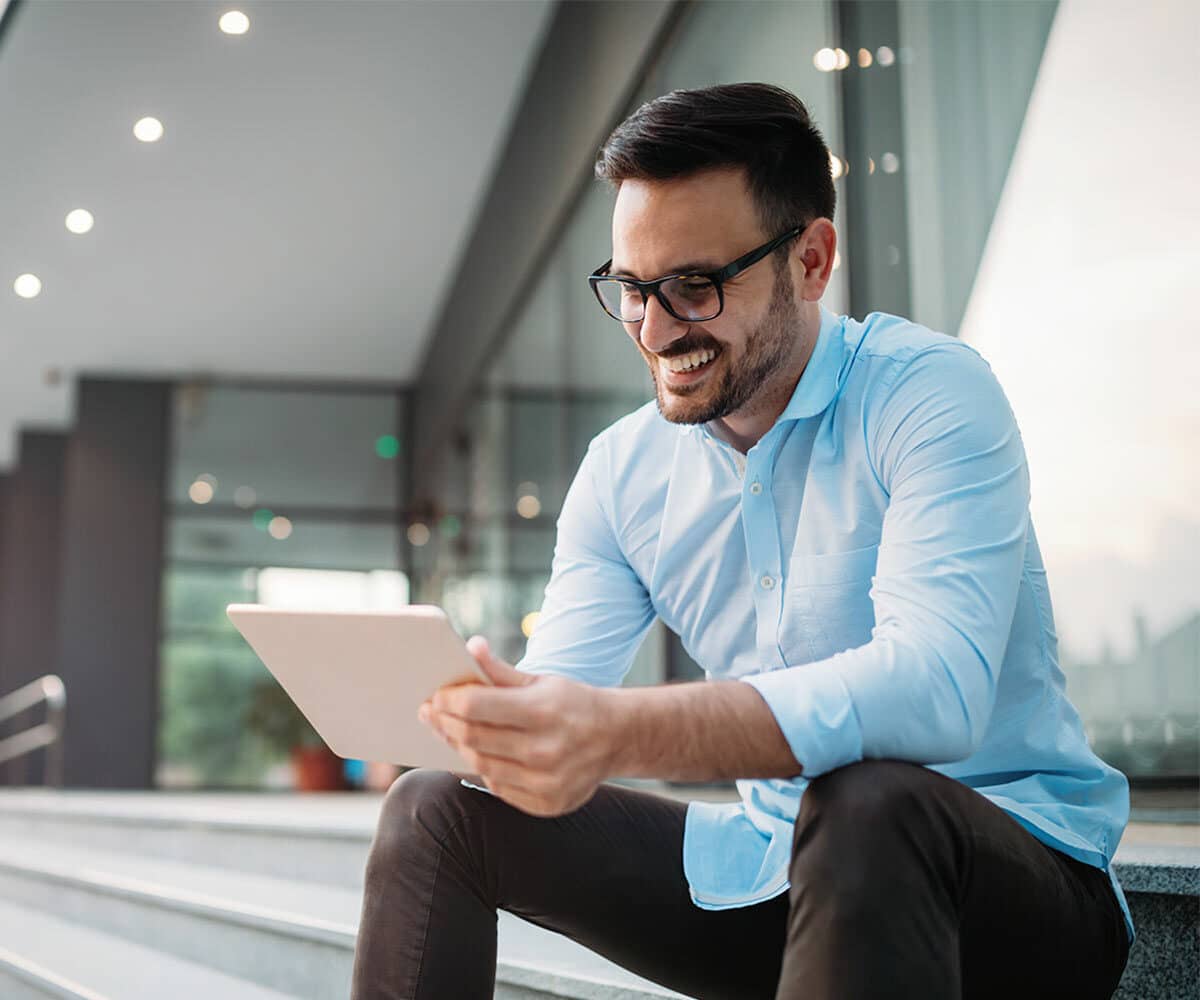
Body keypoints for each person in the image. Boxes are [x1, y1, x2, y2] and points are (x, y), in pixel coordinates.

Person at [351, 83, 1133, 1000]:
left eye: (694, 286)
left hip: (1011, 889)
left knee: (868, 798)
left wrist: (613, 732)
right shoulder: (621, 473)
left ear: (811, 259)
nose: (653, 329)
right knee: (437, 810)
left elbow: (935, 692)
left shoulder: (929, 394)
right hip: (774, 874)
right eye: (632, 289)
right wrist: (500, 729)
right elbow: (563, 698)